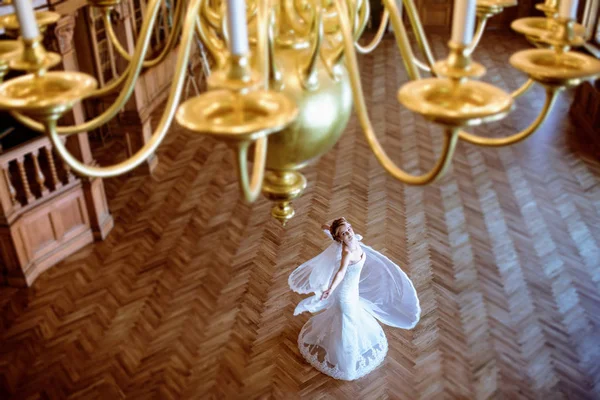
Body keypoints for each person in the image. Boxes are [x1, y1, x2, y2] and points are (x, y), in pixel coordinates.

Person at [288, 217, 421, 381]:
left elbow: (329, 229)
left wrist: (327, 227)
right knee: (348, 321)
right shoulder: (346, 252)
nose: (348, 233)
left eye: (348, 229)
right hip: (345, 294)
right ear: (340, 238)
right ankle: (347, 364)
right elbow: (341, 273)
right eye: (344, 233)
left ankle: (337, 341)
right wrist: (330, 289)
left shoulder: (354, 239)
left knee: (346, 318)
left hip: (353, 290)